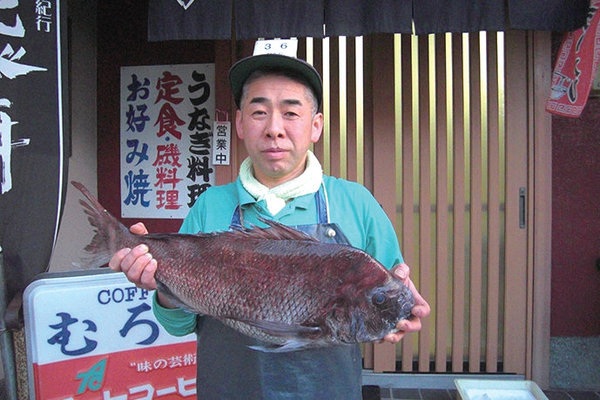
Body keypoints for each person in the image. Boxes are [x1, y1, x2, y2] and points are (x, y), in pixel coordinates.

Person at [109, 53, 430, 399]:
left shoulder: (357, 203)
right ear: (240, 124)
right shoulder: (209, 205)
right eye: (259, 112)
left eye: (291, 112)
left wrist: (399, 317)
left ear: (316, 126)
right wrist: (162, 289)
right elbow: (180, 324)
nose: (274, 128)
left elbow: (393, 298)